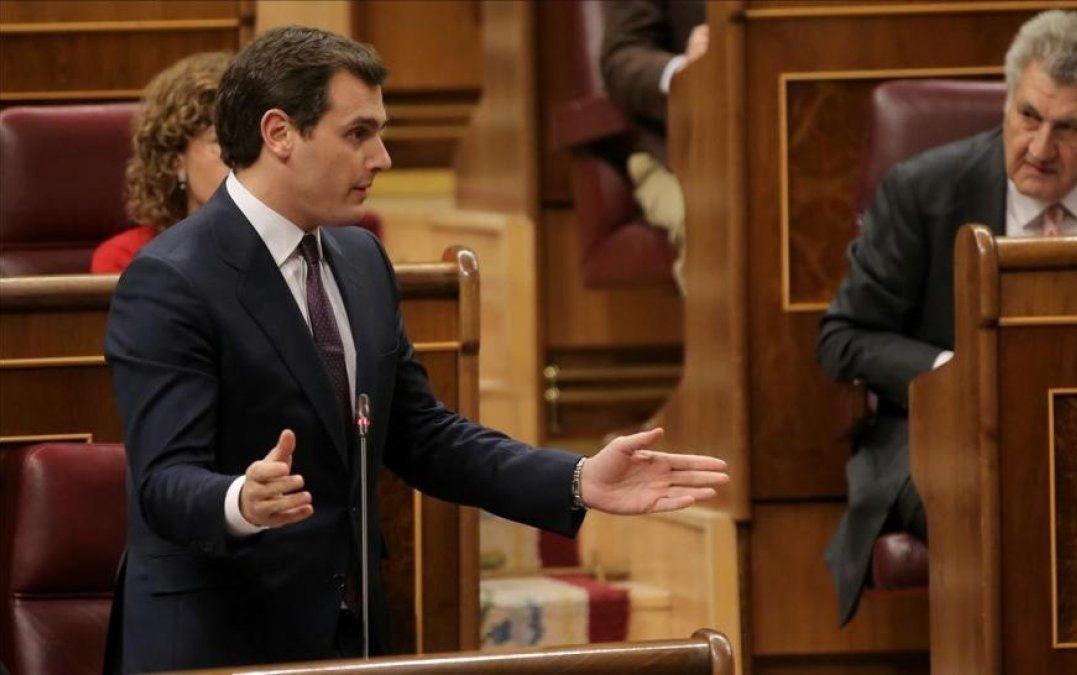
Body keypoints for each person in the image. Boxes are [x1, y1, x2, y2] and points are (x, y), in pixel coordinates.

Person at [103, 26, 728, 672]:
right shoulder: (171, 279)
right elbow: (161, 481)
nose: (382, 157)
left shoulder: (360, 258)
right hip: (214, 644)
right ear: (279, 133)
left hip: (349, 640)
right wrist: (240, 499)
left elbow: (426, 436)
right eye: (358, 134)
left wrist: (576, 477)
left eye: (380, 131)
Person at [816, 9, 1077, 626]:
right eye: (1028, 116)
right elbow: (843, 338)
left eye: (1069, 128)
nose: (1040, 149)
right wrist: (955, 374)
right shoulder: (922, 190)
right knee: (1016, 508)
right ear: (1008, 100)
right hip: (947, 439)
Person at [91, 51, 232, 273]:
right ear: (175, 160)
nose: (239, 157)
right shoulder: (125, 259)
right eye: (220, 142)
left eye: (251, 141)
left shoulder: (287, 253)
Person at [600, 0, 707, 291]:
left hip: (801, 143)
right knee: (713, 224)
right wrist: (686, 72)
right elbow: (621, 59)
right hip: (673, 153)